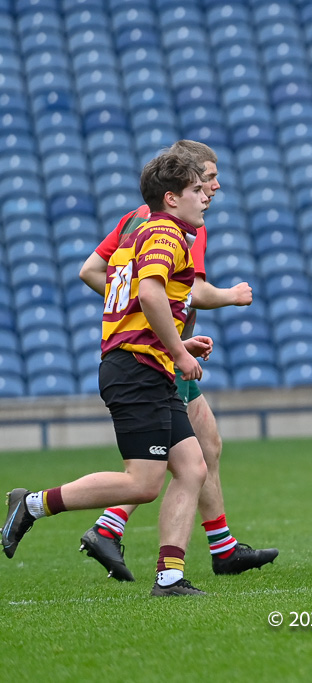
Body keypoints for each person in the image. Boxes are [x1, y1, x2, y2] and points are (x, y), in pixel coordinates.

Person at [4, 152, 213, 596]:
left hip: (142, 363)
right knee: (143, 483)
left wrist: (174, 343)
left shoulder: (139, 234)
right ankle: (33, 504)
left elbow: (135, 298)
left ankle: (170, 576)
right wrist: (178, 351)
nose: (206, 196)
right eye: (197, 189)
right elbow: (151, 294)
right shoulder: (165, 232)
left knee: (192, 466)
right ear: (171, 198)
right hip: (137, 369)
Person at [77, 140, 277, 581]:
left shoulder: (134, 218)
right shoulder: (180, 226)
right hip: (160, 353)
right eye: (208, 177)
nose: (214, 187)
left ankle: (214, 547)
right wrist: (230, 297)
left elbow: (90, 270)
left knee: (197, 451)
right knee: (180, 458)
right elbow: (193, 290)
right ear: (185, 183)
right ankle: (107, 526)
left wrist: (129, 313)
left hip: (158, 348)